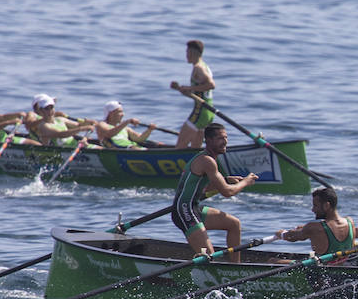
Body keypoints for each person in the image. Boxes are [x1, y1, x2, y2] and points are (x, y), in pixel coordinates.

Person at [171, 123, 257, 262]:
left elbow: (206, 187)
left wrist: (225, 180)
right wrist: (246, 181)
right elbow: (227, 193)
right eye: (220, 138)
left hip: (193, 208)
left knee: (234, 224)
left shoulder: (207, 158)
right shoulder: (207, 161)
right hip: (185, 212)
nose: (225, 142)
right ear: (209, 140)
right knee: (209, 257)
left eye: (226, 137)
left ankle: (235, 269)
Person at [280, 187, 357, 258]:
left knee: (273, 261)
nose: (313, 210)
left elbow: (292, 237)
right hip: (344, 266)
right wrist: (304, 228)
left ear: (327, 205)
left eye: (315, 206)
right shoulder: (350, 222)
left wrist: (281, 234)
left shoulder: (314, 227)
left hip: (323, 268)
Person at [171, 39, 215, 148]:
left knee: (180, 147)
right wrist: (182, 89)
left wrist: (189, 87)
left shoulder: (198, 68)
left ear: (192, 52)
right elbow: (199, 92)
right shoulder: (204, 66)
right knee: (195, 149)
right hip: (207, 112)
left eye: (187, 52)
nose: (186, 55)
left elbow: (211, 85)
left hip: (200, 112)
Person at [29, 94, 95, 147]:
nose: (50, 111)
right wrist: (81, 129)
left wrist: (86, 123)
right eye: (46, 109)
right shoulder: (43, 126)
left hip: (77, 146)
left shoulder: (60, 119)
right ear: (40, 111)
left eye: (51, 107)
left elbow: (78, 125)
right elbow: (61, 134)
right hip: (63, 152)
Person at [95, 101, 159, 148]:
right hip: (117, 150)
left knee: (156, 144)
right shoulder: (101, 125)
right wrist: (127, 122)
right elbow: (109, 134)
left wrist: (149, 130)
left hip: (131, 148)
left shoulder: (125, 128)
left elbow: (140, 139)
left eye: (122, 111)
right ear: (110, 114)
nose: (123, 114)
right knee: (133, 148)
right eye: (119, 112)